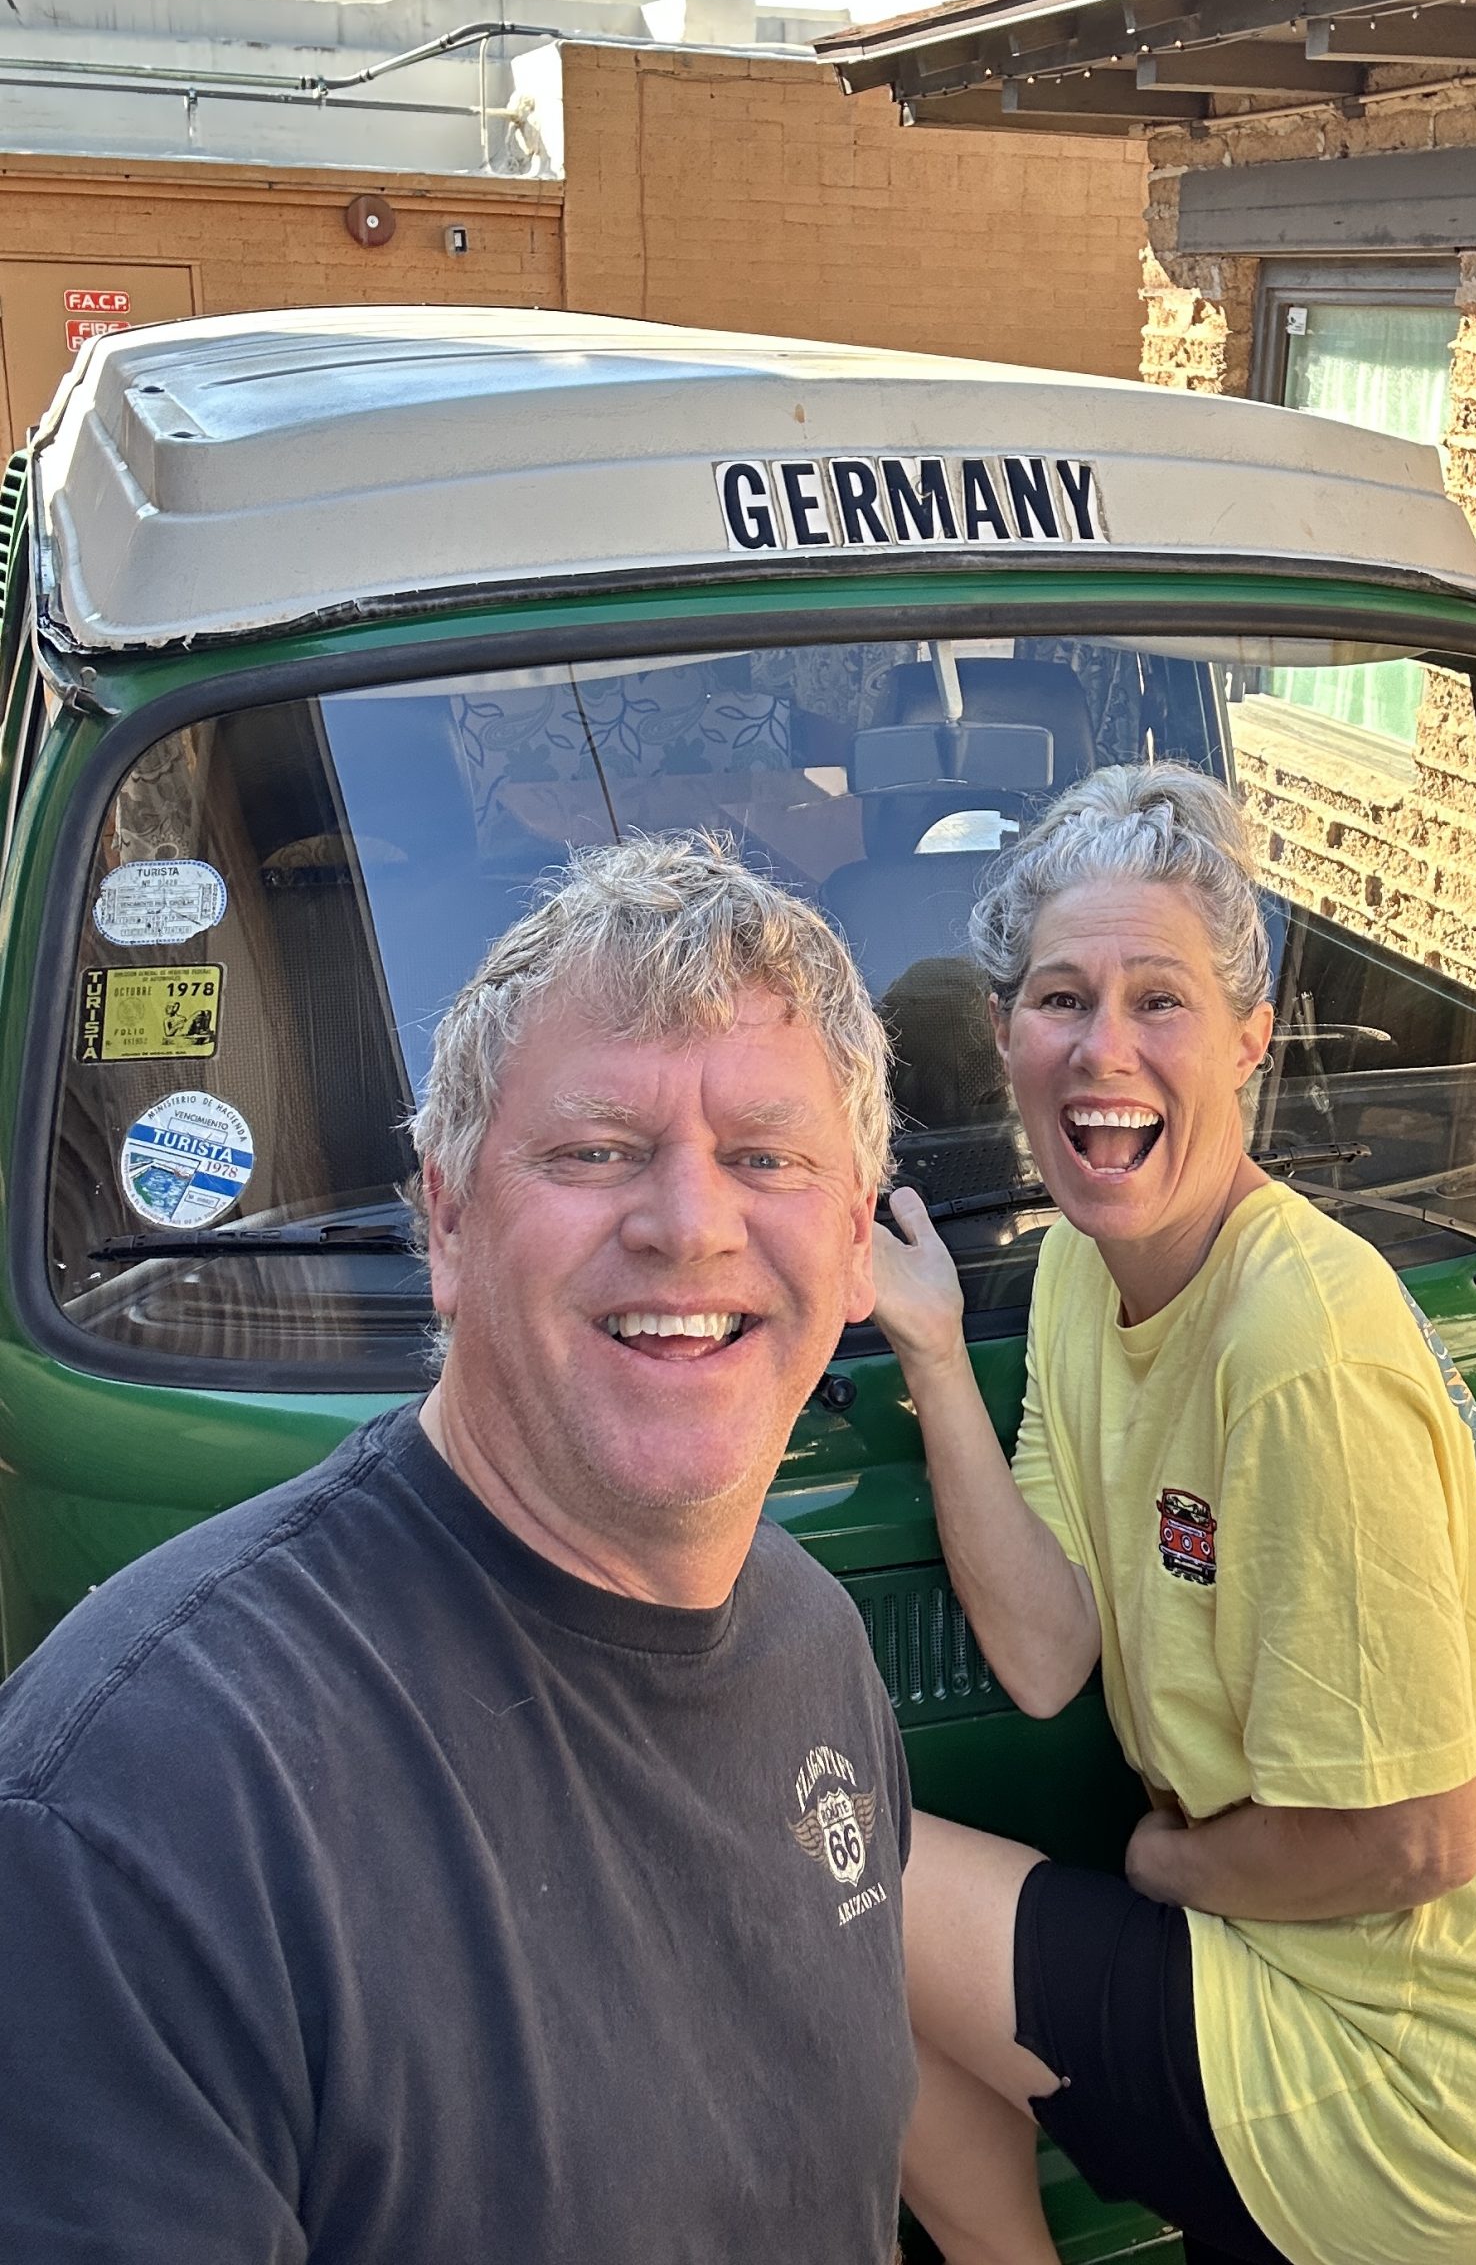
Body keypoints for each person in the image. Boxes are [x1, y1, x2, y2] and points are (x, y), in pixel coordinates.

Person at [0, 835, 915, 2264]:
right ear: (445, 1221)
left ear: (857, 1245)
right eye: (595, 1151)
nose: (689, 1225)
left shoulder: (813, 1643)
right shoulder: (145, 1807)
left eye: (765, 1158)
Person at [870, 763, 1476, 2265]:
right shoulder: (1082, 1265)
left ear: (1250, 1042)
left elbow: (1416, 1842)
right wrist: (936, 1352)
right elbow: (1046, 1654)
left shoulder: (1299, 1348)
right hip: (1278, 1955)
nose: (1104, 1048)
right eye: (1062, 997)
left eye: (1161, 1000)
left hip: (1423, 2083)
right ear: (1007, 1032)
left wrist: (1164, 1866)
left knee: (833, 1881)